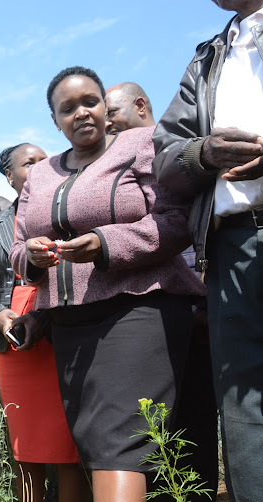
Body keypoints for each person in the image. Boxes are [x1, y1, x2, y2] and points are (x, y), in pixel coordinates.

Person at [10, 66, 206, 502]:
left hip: (139, 310)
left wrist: (105, 242)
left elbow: (175, 222)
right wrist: (34, 257)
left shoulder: (142, 145)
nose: (81, 113)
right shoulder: (41, 175)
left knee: (119, 441)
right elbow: (18, 247)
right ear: (56, 121)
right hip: (71, 323)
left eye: (90, 102)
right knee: (93, 441)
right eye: (67, 109)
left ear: (104, 106)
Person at [153, 2, 263, 499]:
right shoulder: (208, 58)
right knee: (242, 404)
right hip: (230, 245)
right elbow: (165, 156)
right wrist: (203, 153)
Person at [109, 82, 218, 499]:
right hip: (153, 311)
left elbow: (189, 228)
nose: (105, 123)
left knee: (195, 416)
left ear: (140, 105)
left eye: (111, 113)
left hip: (199, 301)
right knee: (156, 422)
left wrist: (204, 292)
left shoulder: (178, 154)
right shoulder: (116, 159)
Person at [0, 145, 89, 502]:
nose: (41, 167)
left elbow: (78, 276)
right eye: (30, 163)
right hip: (12, 340)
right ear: (9, 177)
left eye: (45, 161)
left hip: (59, 329)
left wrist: (39, 318)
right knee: (23, 444)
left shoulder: (67, 214)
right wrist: (0, 315)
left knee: (65, 443)